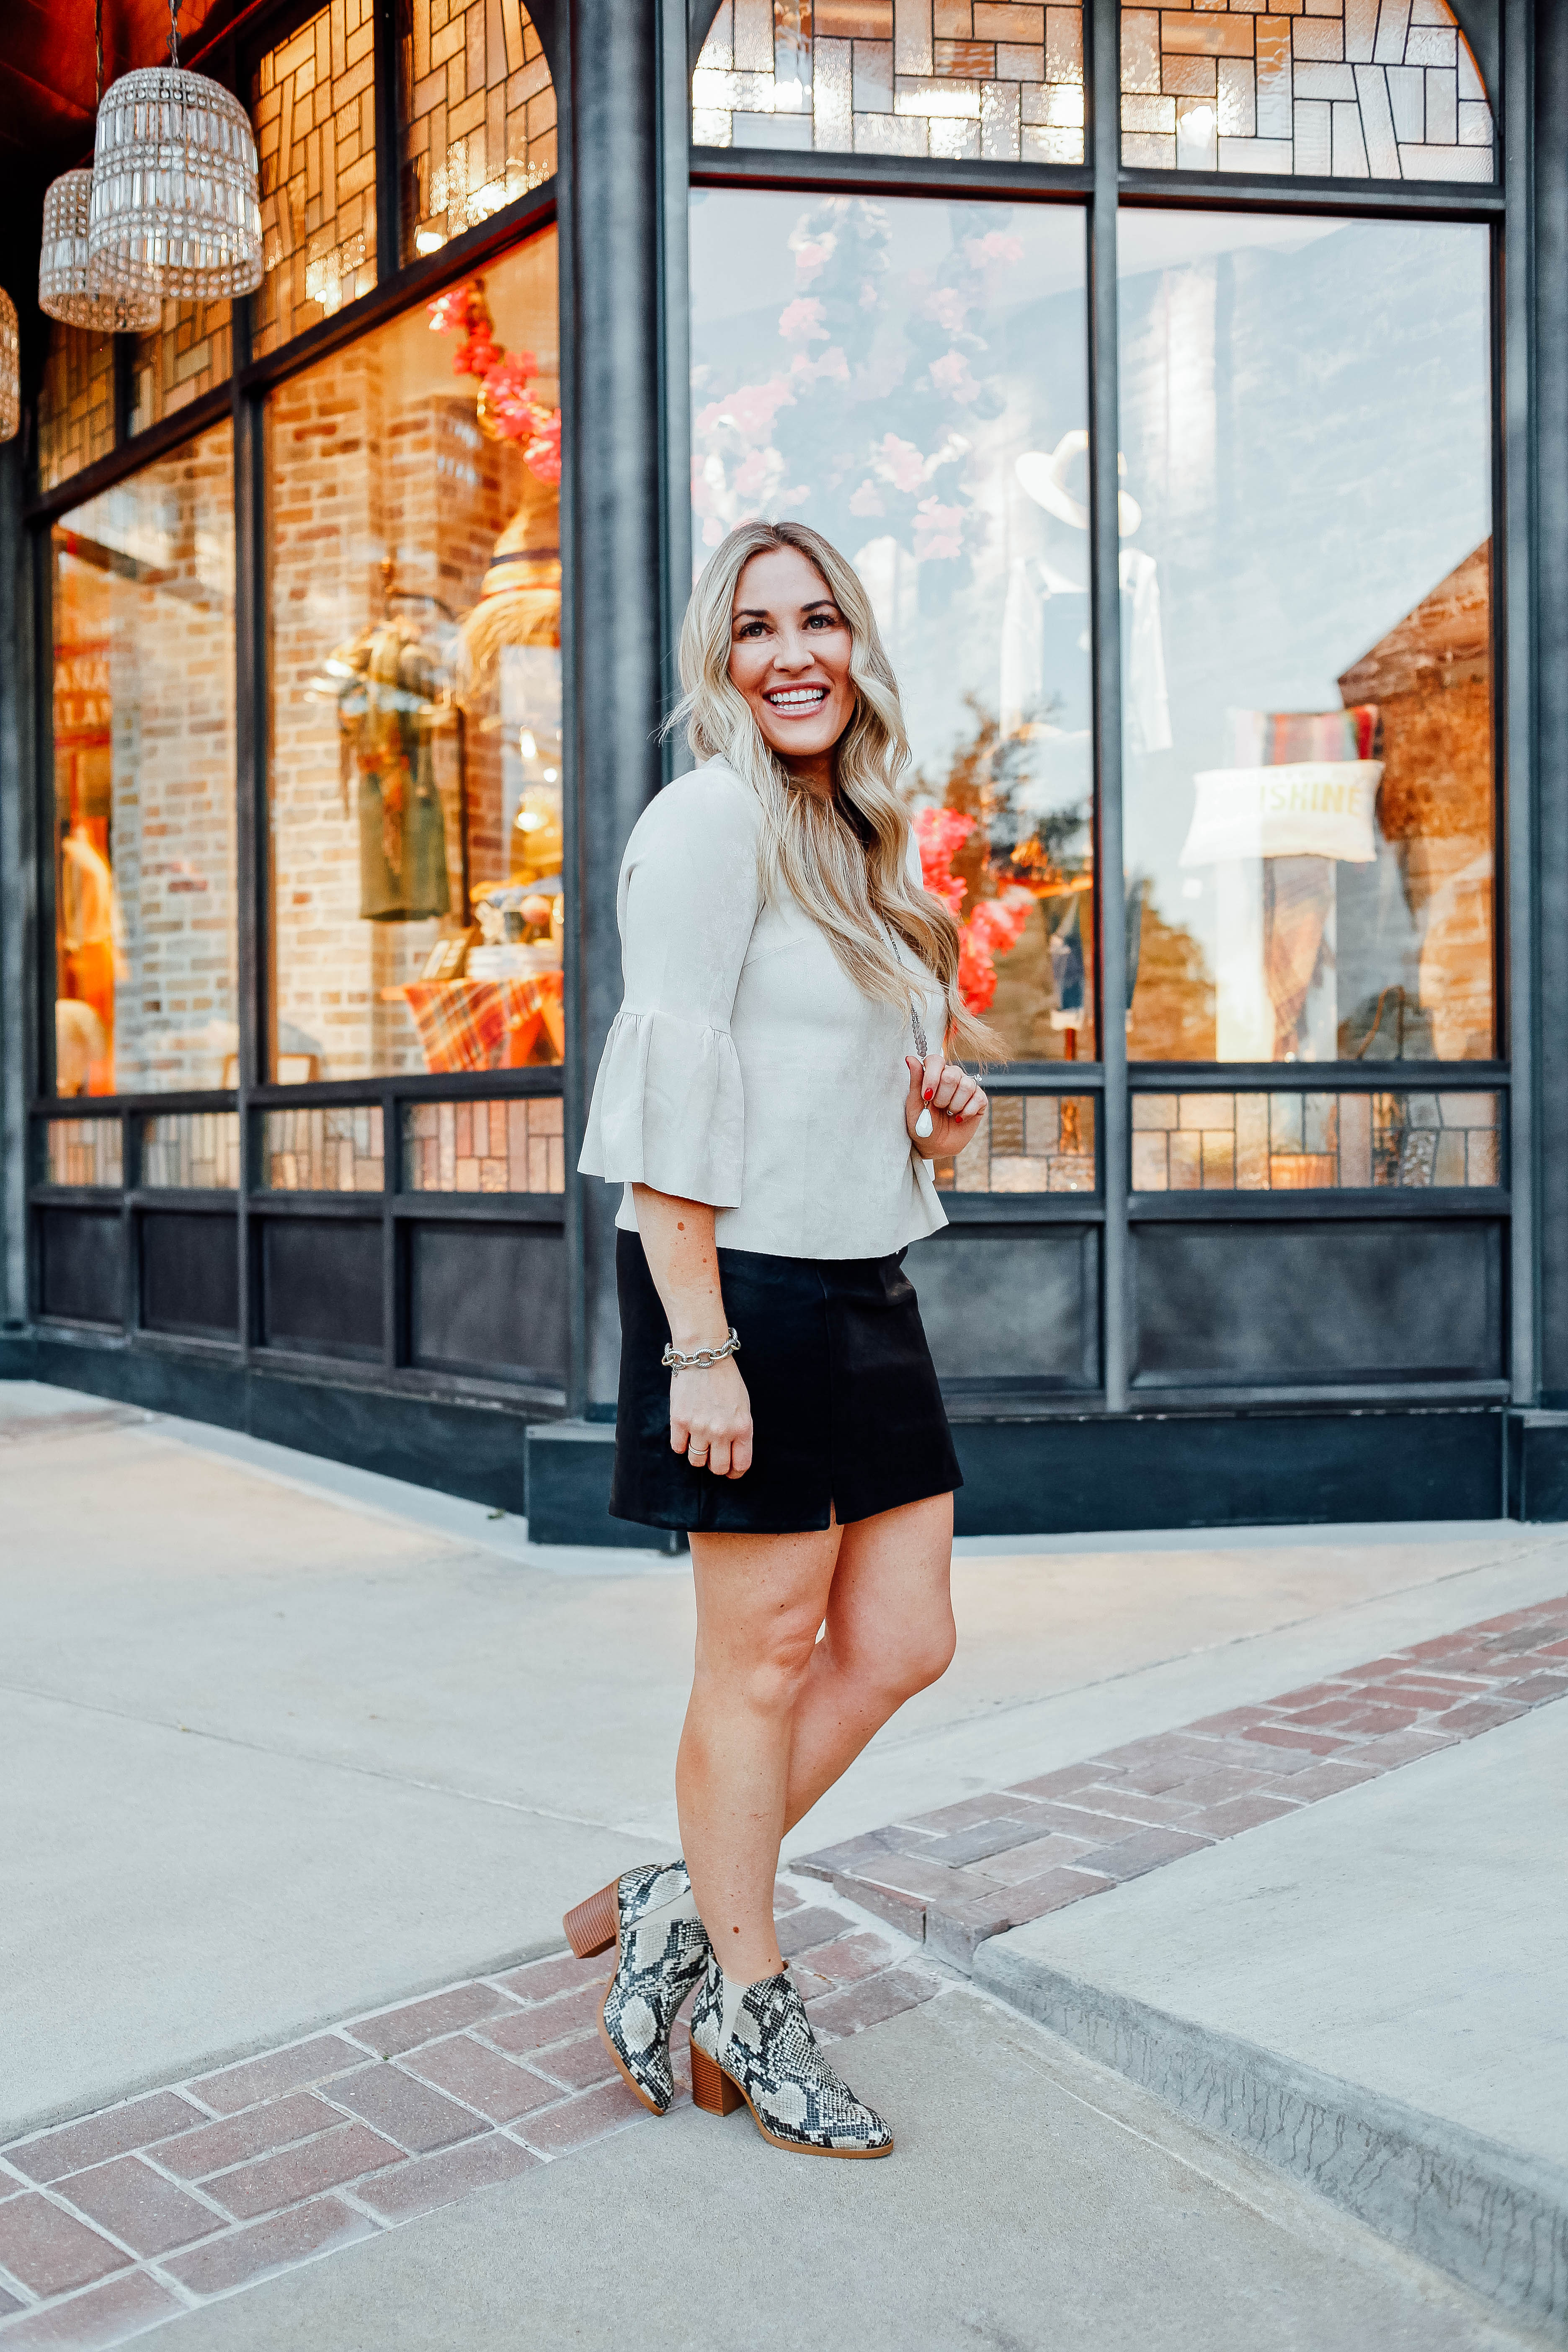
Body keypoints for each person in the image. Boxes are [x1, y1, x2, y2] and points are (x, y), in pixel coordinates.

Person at [564, 519, 992, 2159]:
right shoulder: (709, 823)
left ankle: (678, 1897)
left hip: (868, 1285)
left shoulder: (862, 850)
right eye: (757, 629)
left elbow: (847, 1103)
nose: (793, 653)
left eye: (822, 621)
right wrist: (697, 1347)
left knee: (904, 1639)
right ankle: (753, 1995)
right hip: (735, 1295)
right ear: (719, 661)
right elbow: (669, 1084)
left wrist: (938, 1120)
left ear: (858, 647)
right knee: (753, 1664)